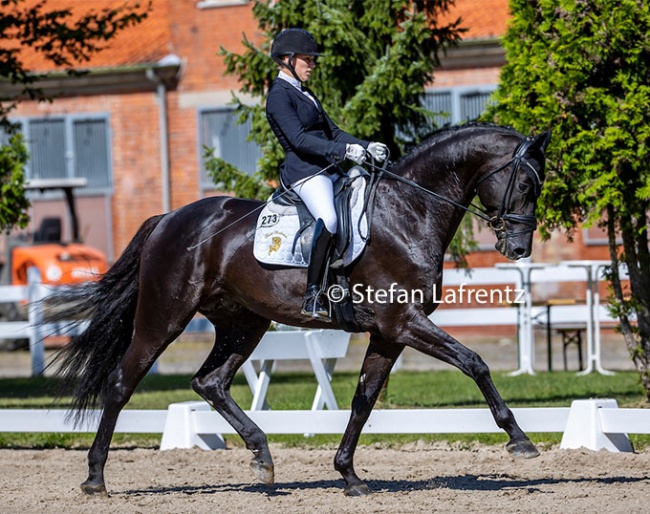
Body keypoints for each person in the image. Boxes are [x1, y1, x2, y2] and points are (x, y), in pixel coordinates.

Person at [266, 28, 388, 321]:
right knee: (329, 219)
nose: (313, 65)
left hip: (328, 168)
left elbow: (333, 131)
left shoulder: (305, 92)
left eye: (312, 60)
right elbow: (299, 140)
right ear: (287, 59)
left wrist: (365, 145)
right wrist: (344, 152)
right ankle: (313, 294)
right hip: (307, 173)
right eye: (307, 59)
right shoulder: (278, 96)